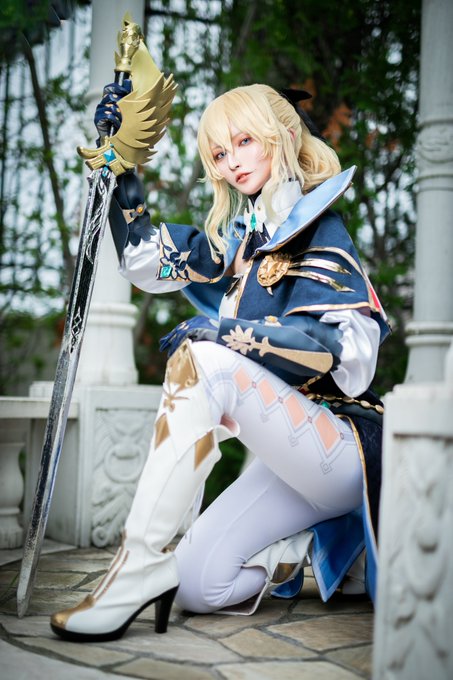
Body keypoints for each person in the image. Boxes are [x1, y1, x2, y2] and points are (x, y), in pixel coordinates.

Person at [50, 83, 389, 642]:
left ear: (282, 136)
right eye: (219, 153)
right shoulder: (240, 243)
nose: (232, 162)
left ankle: (137, 564)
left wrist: (229, 334)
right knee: (197, 584)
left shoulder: (320, 229)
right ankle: (300, 548)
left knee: (206, 357)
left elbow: (342, 354)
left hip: (342, 446)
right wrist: (119, 160)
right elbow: (144, 257)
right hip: (287, 460)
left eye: (244, 141)